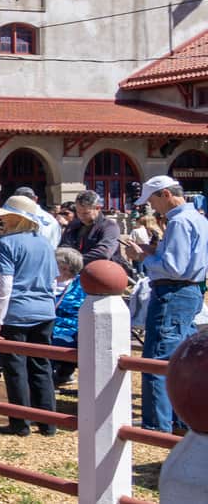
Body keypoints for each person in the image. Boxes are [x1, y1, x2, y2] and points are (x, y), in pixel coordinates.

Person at [121, 175, 208, 433]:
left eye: (152, 201)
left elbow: (174, 267)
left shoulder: (179, 222)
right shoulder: (198, 219)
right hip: (190, 292)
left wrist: (142, 257)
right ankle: (180, 418)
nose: (151, 207)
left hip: (172, 292)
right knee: (181, 359)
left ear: (165, 195)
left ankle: (156, 425)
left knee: (156, 360)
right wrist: (152, 251)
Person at [0, 196, 59, 437]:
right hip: (45, 311)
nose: (2, 219)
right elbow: (53, 279)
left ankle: (20, 423)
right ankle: (48, 422)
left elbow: (3, 286)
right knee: (41, 366)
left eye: (6, 216)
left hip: (16, 313)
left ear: (17, 218)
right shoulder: (46, 244)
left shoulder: (7, 244)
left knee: (16, 368)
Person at [50, 247, 86, 386]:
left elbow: (77, 317)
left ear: (65, 268)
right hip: (45, 327)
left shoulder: (81, 286)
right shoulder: (45, 281)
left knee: (46, 340)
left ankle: (61, 373)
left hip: (70, 331)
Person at [60, 190, 122, 265]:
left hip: (103, 271)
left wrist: (74, 261)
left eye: (86, 213)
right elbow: (63, 247)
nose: (81, 216)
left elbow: (103, 253)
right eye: (78, 212)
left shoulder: (110, 226)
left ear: (97, 208)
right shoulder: (73, 225)